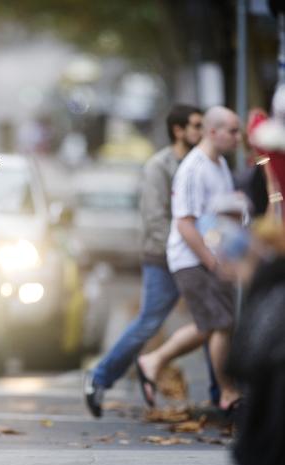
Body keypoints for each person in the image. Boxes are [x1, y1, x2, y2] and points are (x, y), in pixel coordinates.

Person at [83, 104, 204, 417]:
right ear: (178, 130)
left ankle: (222, 393)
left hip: (195, 255)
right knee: (150, 322)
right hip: (164, 257)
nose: (201, 132)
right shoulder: (159, 166)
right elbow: (154, 219)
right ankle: (100, 376)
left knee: (215, 321)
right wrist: (182, 254)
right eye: (196, 126)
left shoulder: (200, 163)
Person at [136, 106, 243, 414]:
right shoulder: (194, 169)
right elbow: (184, 223)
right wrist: (213, 262)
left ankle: (153, 360)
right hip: (193, 259)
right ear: (213, 132)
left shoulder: (220, 164)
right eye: (233, 131)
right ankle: (227, 393)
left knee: (209, 325)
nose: (239, 138)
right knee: (222, 324)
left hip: (212, 256)